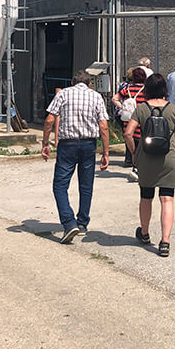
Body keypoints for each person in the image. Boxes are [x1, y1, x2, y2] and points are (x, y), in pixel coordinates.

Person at [42, 71, 111, 244]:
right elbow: (103, 125)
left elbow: (50, 119)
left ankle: (68, 222)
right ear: (90, 84)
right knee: (86, 185)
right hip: (89, 144)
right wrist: (105, 152)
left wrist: (45, 143)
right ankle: (82, 223)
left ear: (72, 82)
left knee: (60, 185)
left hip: (67, 144)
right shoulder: (96, 96)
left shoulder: (63, 94)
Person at [124, 73, 175, 257]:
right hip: (169, 157)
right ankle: (165, 241)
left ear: (147, 89)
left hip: (146, 157)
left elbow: (128, 133)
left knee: (146, 197)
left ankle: (144, 233)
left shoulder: (141, 108)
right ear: (164, 88)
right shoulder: (173, 109)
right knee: (167, 199)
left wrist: (134, 153)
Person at [112, 67, 147, 178]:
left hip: (129, 122)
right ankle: (141, 169)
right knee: (143, 147)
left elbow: (114, 99)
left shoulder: (127, 89)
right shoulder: (146, 90)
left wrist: (123, 107)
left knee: (133, 148)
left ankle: (135, 167)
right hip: (142, 121)